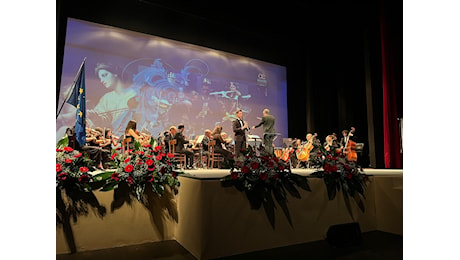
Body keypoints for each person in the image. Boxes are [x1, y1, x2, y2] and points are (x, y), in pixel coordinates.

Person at [87, 62, 138, 136]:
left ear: (115, 73)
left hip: (135, 136)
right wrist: (95, 116)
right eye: (100, 78)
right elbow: (104, 121)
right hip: (116, 138)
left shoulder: (136, 93)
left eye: (104, 75)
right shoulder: (106, 98)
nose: (102, 80)